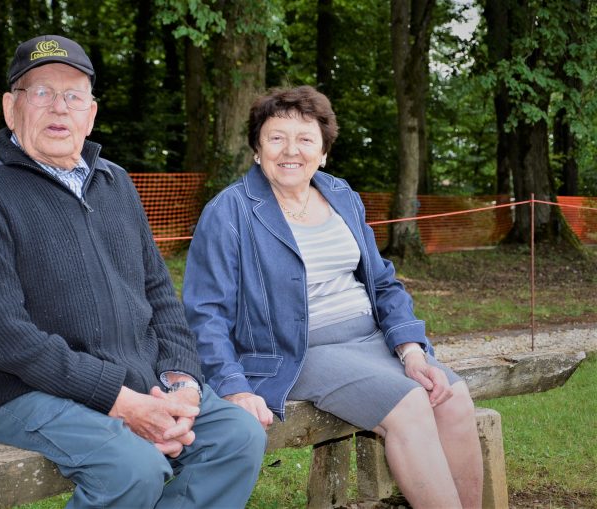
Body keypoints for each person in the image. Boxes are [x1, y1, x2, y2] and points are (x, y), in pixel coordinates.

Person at [0, 34, 265, 508]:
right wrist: (122, 403)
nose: (59, 107)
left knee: (238, 436)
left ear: (90, 114)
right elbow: (4, 336)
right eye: (41, 92)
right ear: (11, 107)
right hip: (23, 393)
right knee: (133, 468)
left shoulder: (115, 180)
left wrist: (184, 383)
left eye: (73, 96)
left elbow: (159, 293)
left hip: (140, 382)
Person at [182, 85, 483, 508]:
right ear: (256, 149)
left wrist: (411, 350)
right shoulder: (228, 211)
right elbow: (205, 313)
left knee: (453, 399)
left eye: (305, 139)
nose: (291, 150)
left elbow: (382, 282)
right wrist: (233, 387)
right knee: (411, 404)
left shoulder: (341, 195)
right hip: (297, 351)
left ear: (323, 152)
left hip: (370, 341)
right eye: (276, 137)